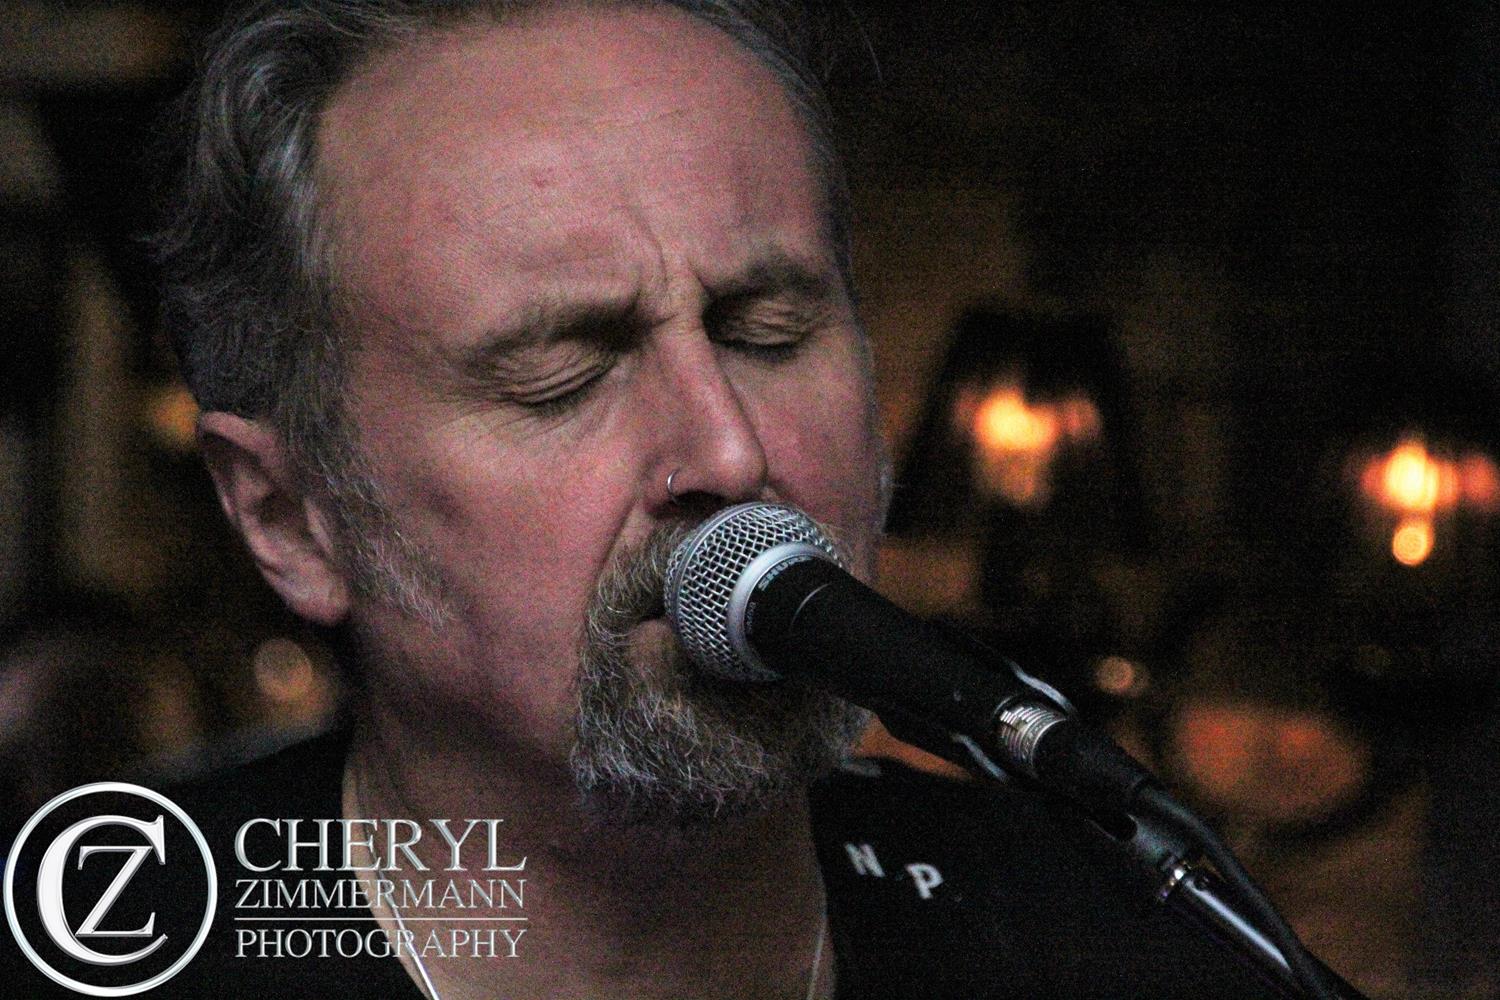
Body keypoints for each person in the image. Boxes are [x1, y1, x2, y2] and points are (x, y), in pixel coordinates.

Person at [4, 2, 1275, 997]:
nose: (727, 449)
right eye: (561, 374)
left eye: (768, 330)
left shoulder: (1114, 928)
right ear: (291, 519)